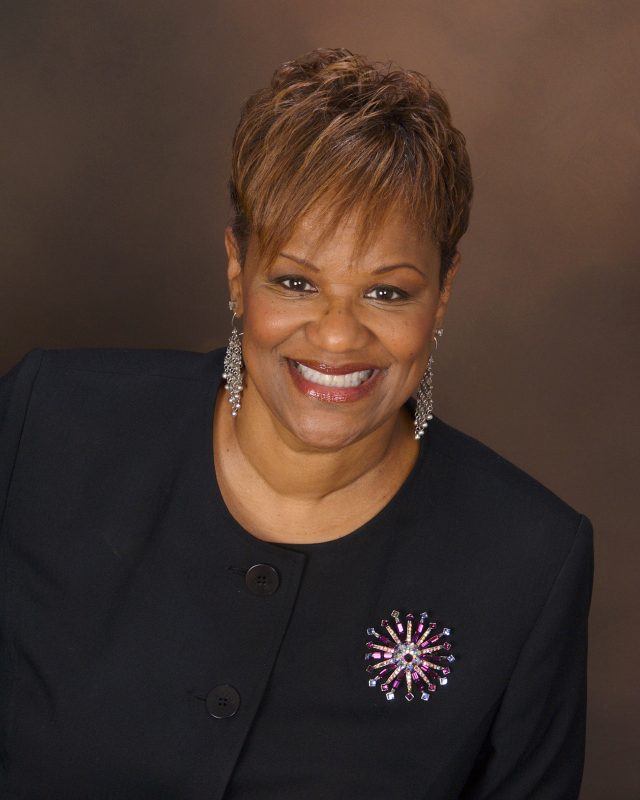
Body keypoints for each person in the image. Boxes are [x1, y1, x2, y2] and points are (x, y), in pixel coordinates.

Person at [0, 48, 593, 799]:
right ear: (236, 269)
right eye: (295, 281)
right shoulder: (49, 422)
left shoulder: (531, 562)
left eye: (387, 292)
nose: (337, 335)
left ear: (442, 295)